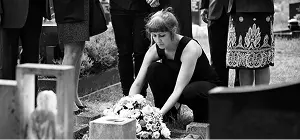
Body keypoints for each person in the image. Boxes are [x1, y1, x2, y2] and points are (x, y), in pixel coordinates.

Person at [128, 7, 220, 123]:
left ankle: (203, 119)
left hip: (206, 90)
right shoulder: (154, 50)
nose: (158, 40)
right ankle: (168, 118)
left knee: (191, 90)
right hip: (183, 89)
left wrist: (156, 116)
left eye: (162, 35)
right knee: (154, 69)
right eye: (154, 35)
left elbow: (178, 89)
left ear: (173, 30)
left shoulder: (189, 48)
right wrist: (127, 108)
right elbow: (138, 82)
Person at [53, 0, 107, 112]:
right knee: (71, 52)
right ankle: (63, 98)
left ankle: (73, 96)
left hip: (81, 6)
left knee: (78, 50)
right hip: (69, 8)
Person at [0, 0, 49, 97]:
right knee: (8, 62)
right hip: (9, 11)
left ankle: (30, 103)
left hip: (35, 8)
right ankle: (8, 104)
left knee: (32, 59)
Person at [109, 0, 153, 96]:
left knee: (141, 51)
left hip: (143, 7)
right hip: (118, 7)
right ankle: (126, 94)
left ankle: (141, 95)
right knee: (124, 52)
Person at [226, 0, 275, 86]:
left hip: (261, 9)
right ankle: (246, 97)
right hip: (239, 9)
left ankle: (259, 98)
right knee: (243, 60)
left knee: (262, 61)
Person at [200, 0, 239, 87]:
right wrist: (204, 6)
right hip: (216, 11)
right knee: (217, 57)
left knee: (240, 56)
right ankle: (220, 92)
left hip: (240, 11)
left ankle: (239, 93)